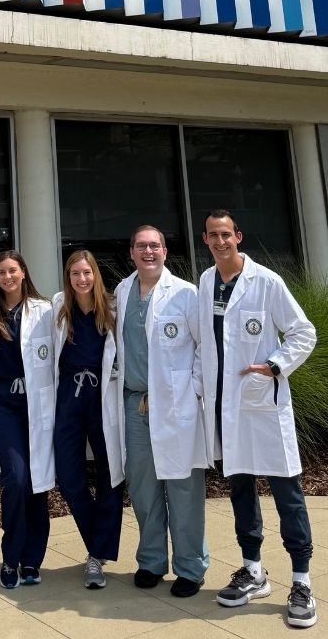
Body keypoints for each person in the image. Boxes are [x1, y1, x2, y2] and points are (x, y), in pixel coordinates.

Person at [200, 210, 318, 629]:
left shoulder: (266, 282)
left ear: (238, 236)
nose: (220, 241)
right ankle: (253, 571)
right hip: (228, 406)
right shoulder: (206, 281)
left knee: (287, 493)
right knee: (241, 490)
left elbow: (303, 332)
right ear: (205, 239)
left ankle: (301, 582)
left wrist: (274, 365)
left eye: (226, 234)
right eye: (213, 235)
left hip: (263, 404)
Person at [114, 225, 215, 598]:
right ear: (131, 252)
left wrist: (193, 389)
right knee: (143, 488)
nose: (148, 252)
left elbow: (206, 347)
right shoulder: (122, 292)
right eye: (141, 246)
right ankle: (152, 561)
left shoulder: (186, 294)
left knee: (184, 487)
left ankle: (190, 567)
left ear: (165, 252)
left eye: (154, 245)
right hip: (135, 404)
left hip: (176, 404)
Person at [0, 251, 55, 589]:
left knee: (37, 480)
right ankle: (11, 558)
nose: (7, 277)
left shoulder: (44, 311)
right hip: (3, 405)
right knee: (17, 478)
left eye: (12, 271)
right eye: (1, 273)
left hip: (37, 404)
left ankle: (32, 560)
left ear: (24, 272)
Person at [52, 250, 124, 589]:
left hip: (103, 395)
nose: (82, 279)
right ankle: (99, 542)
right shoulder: (58, 307)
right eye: (75, 274)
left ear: (95, 274)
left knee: (111, 475)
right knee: (69, 477)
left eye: (87, 273)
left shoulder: (112, 308)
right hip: (68, 395)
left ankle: (96, 555)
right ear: (68, 278)